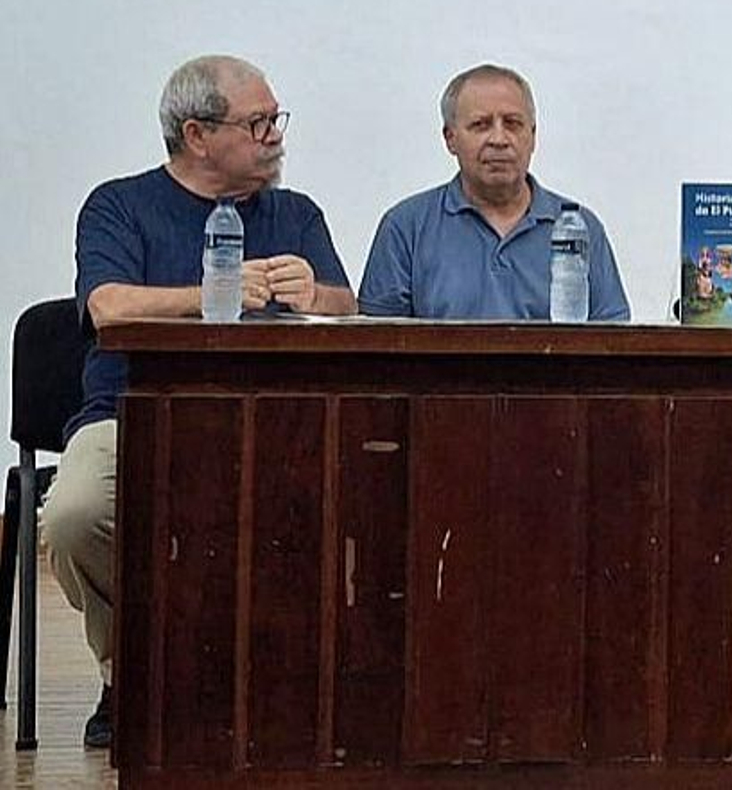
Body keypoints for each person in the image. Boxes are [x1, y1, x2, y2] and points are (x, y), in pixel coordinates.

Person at [42, 54, 356, 748]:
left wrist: (316, 295)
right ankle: (132, 671)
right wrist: (214, 291)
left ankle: (275, 684)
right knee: (73, 516)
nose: (275, 135)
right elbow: (108, 303)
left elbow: (347, 308)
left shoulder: (296, 214)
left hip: (271, 421)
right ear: (197, 134)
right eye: (258, 122)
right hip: (129, 411)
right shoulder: (118, 205)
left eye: (276, 119)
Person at [359, 64, 630, 320]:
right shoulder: (407, 228)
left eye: (512, 124)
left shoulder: (579, 227)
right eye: (481, 125)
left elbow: (613, 345)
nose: (499, 140)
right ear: (450, 138)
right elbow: (376, 346)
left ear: (533, 136)